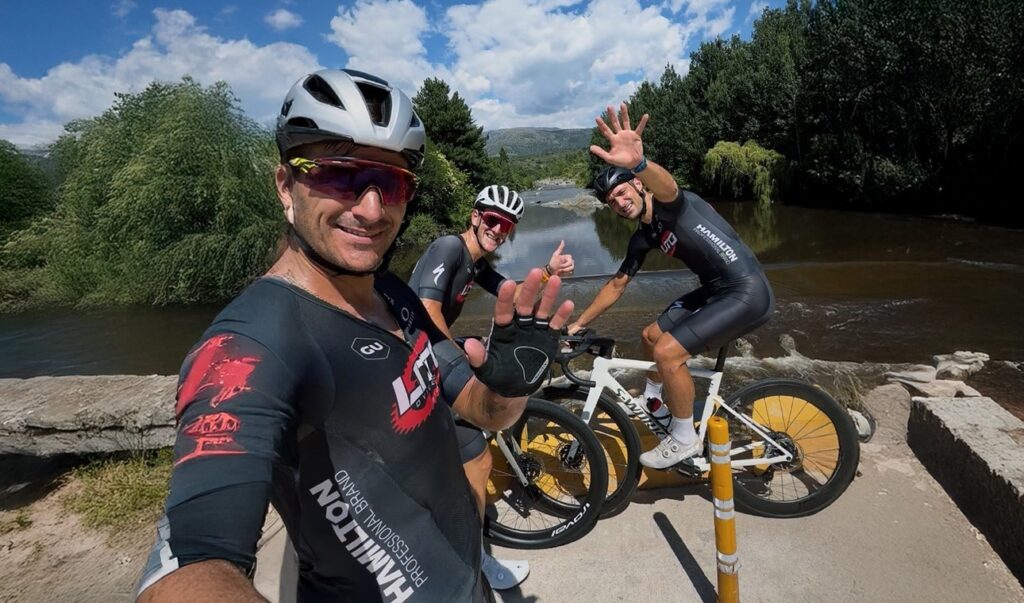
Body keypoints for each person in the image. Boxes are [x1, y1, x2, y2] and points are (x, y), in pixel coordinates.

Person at [134, 68, 573, 603]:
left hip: (467, 583)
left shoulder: (392, 293)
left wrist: (509, 386)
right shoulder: (252, 343)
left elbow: (483, 412)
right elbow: (192, 567)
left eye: (391, 184)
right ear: (285, 187)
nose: (370, 209)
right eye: (341, 176)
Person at [568, 103, 774, 470]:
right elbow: (616, 286)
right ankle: (655, 401)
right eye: (611, 200)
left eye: (622, 190)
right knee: (650, 336)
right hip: (716, 291)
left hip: (746, 291)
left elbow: (669, 185)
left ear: (636, 183)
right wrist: (578, 323)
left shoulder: (671, 205)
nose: (618, 201)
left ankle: (684, 438)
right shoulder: (643, 236)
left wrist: (639, 163)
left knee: (667, 353)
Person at [407, 184, 574, 590]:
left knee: (478, 460)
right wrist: (461, 358)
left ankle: (471, 556)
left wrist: (547, 274)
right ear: (476, 215)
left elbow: (509, 293)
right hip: (415, 353)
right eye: (494, 220)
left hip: (430, 352)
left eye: (509, 226)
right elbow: (425, 311)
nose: (500, 231)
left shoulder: (475, 263)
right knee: (482, 418)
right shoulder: (449, 247)